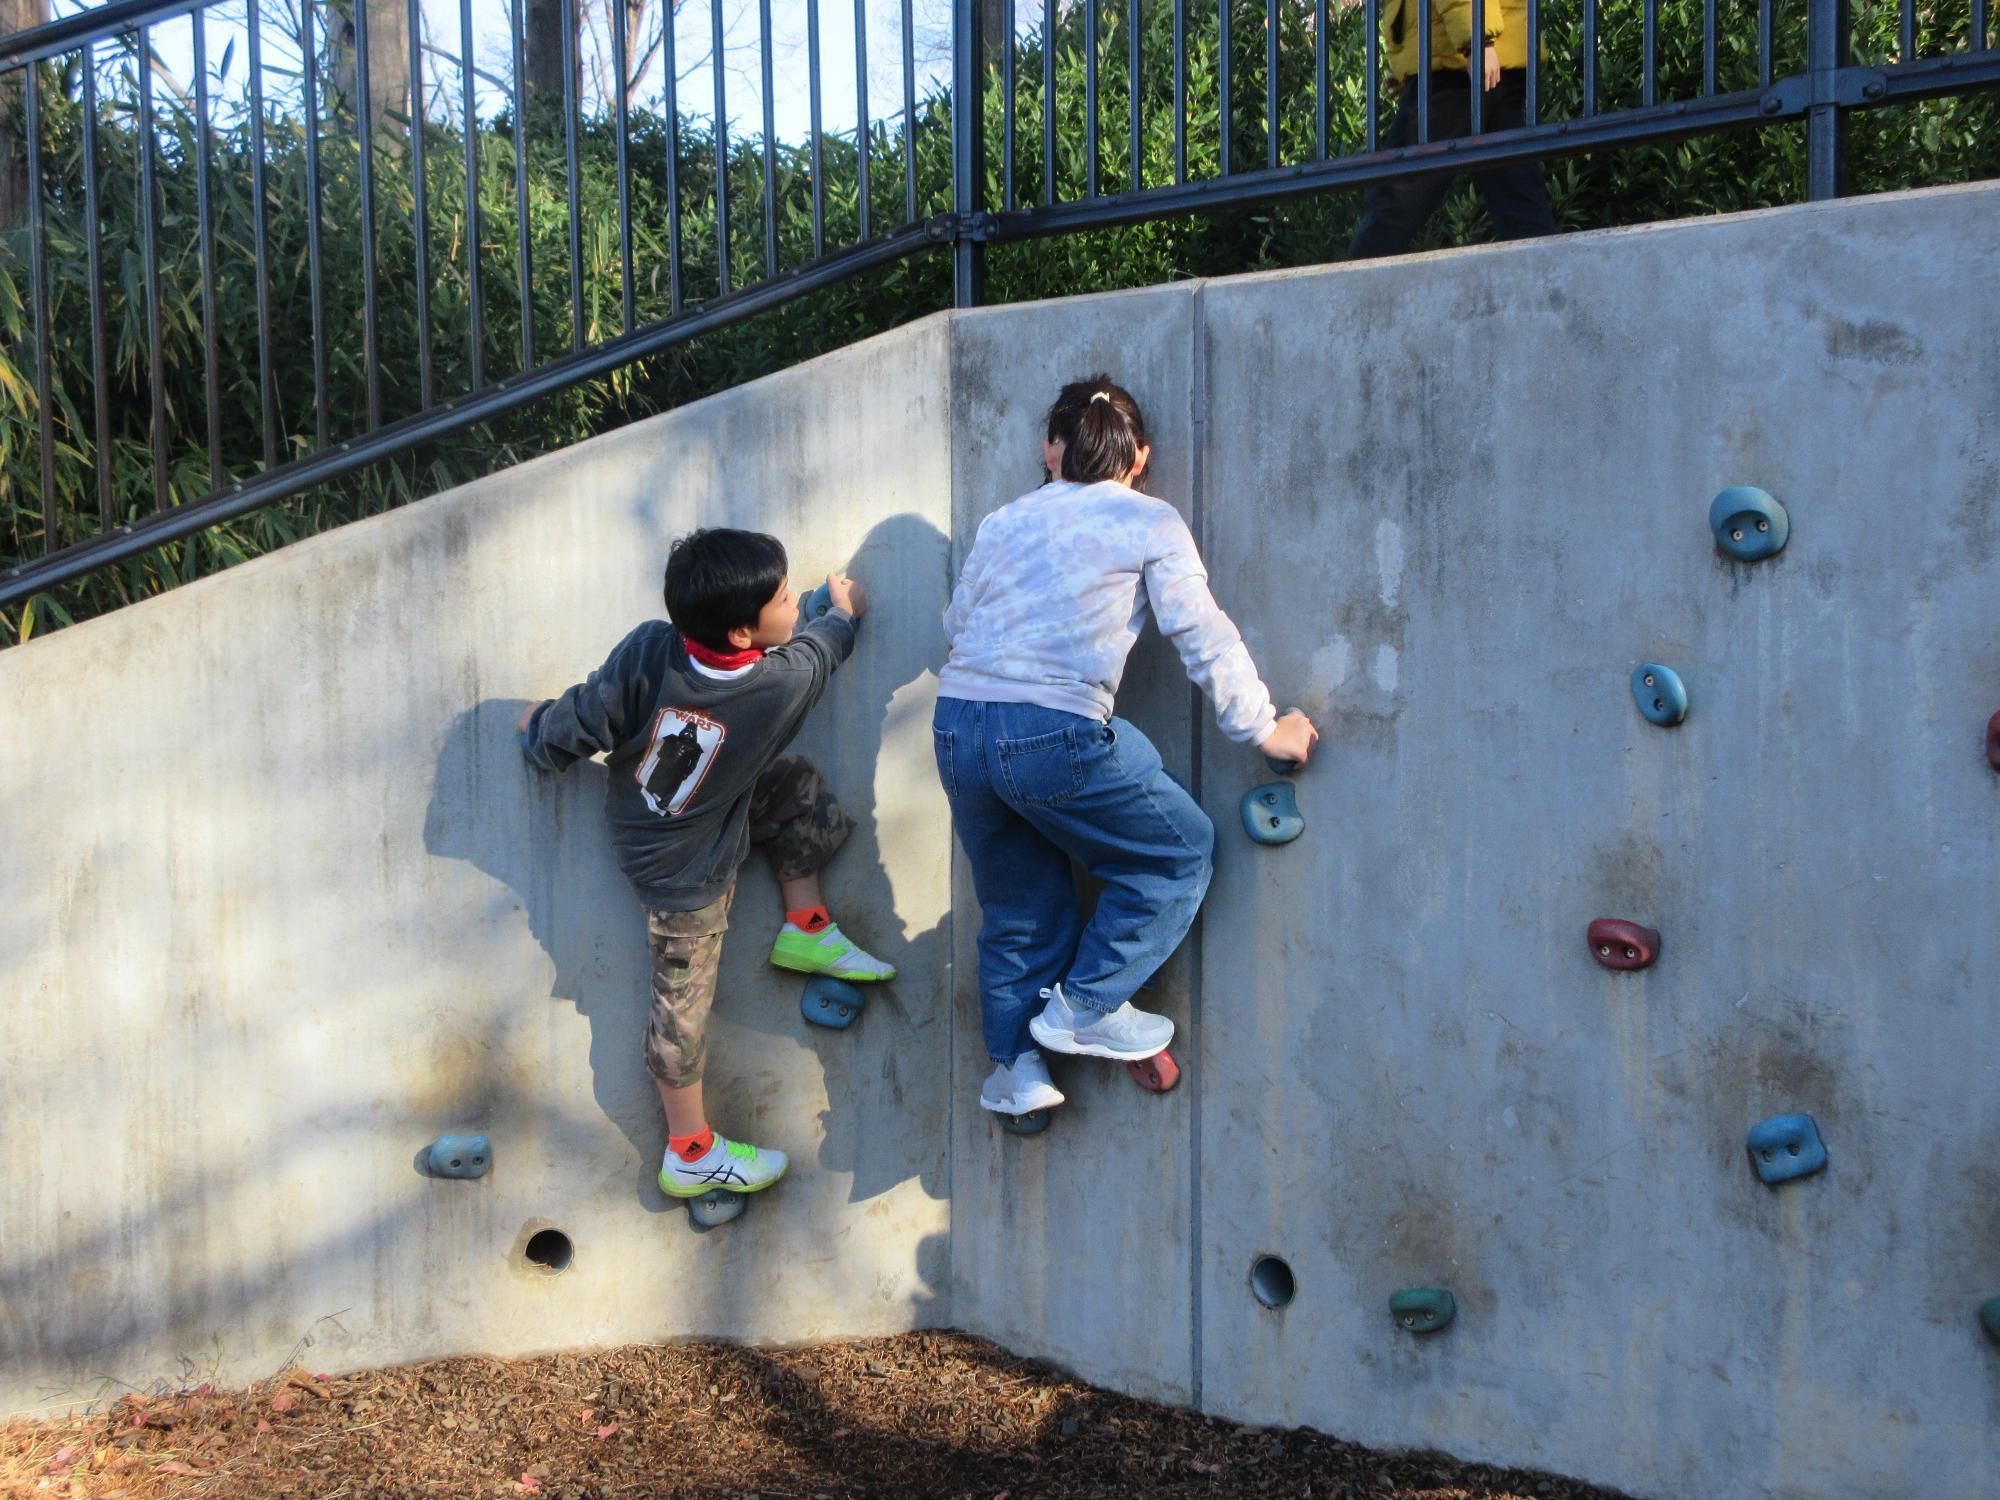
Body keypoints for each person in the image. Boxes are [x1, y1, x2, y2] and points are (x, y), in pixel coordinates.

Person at [934, 376, 1319, 1122]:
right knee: (1177, 852)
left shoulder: (1003, 520)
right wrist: (1265, 729)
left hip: (959, 725)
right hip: (1052, 730)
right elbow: (1200, 630)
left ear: (1051, 448)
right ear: (1138, 456)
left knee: (1017, 907)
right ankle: (1087, 1003)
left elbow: (957, 624)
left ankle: (1016, 1072)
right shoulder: (1149, 520)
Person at [518, 529, 895, 1202]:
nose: (793, 601)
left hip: (707, 805)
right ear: (746, 635)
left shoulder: (649, 647)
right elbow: (827, 645)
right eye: (784, 598)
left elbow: (587, 716)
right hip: (678, 871)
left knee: (795, 786)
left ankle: (805, 927)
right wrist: (842, 610)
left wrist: (541, 735)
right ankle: (690, 1150)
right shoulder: (781, 683)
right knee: (681, 1007)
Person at [1348, 0, 1558, 259]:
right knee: (1515, 192)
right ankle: (1547, 276)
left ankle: (1356, 291)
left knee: (1397, 190)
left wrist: (1477, 39)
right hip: (1483, 55)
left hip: (1457, 63)